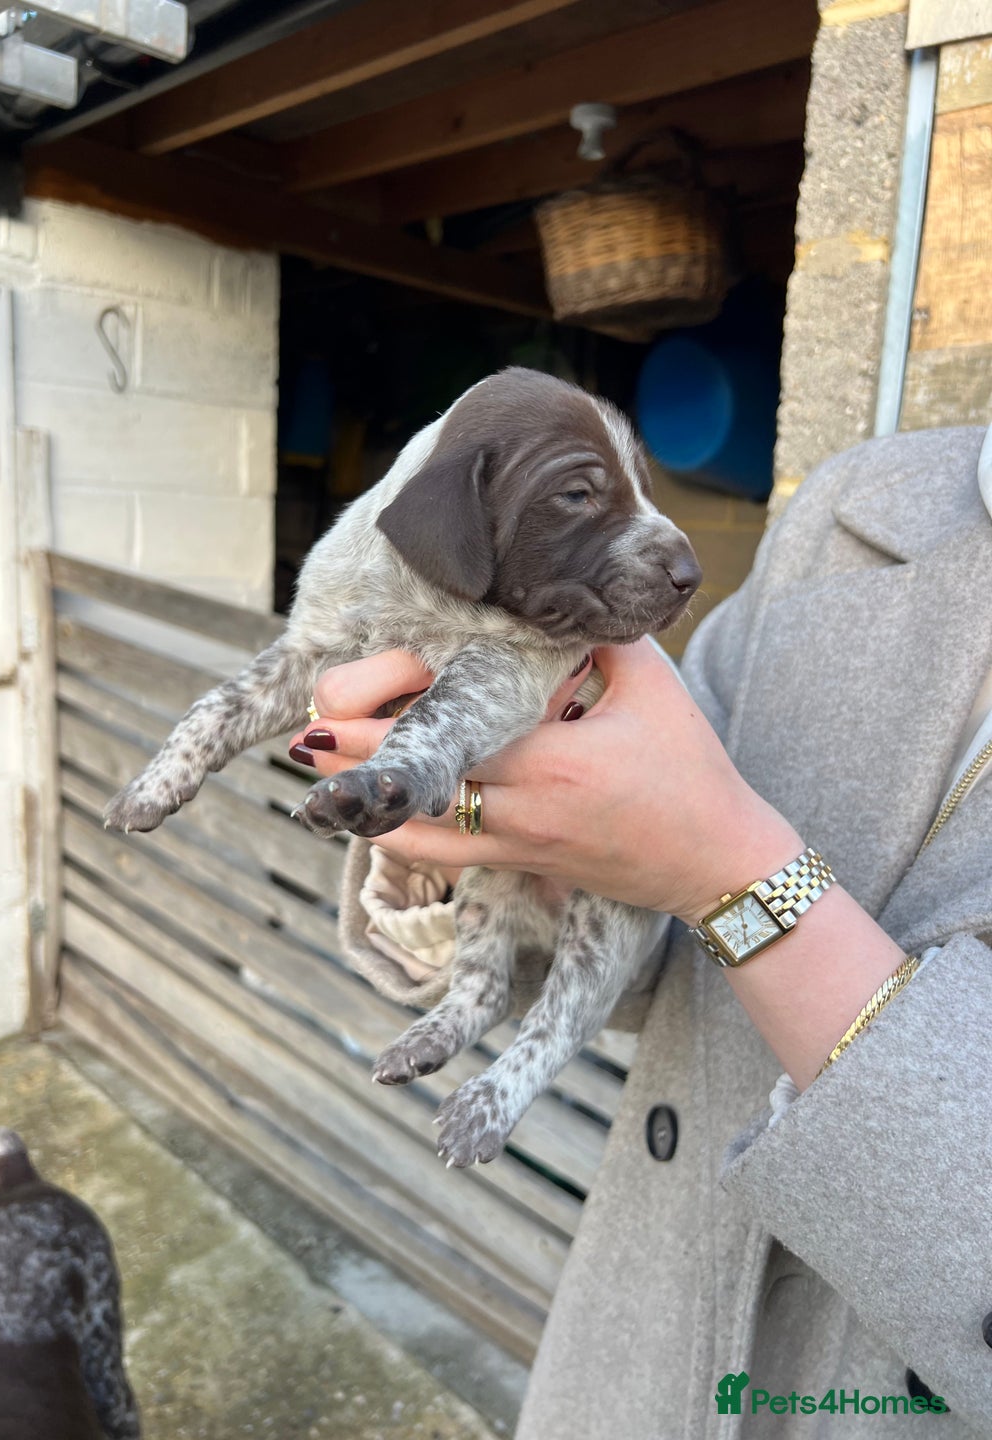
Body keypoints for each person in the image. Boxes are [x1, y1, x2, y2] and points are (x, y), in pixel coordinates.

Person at [288, 423, 992, 1436]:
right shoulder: (855, 507)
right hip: (641, 1355)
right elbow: (652, 954)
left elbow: (695, 860)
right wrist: (496, 830)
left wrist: (729, 872)